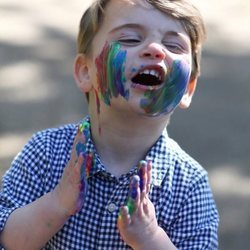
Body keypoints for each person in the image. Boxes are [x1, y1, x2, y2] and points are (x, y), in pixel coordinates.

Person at [0, 0, 219, 249]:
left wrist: (149, 238)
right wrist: (57, 204)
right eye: (129, 38)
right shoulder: (45, 152)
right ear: (85, 71)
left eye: (173, 45)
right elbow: (7, 239)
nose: (156, 49)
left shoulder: (189, 185)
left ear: (188, 88)